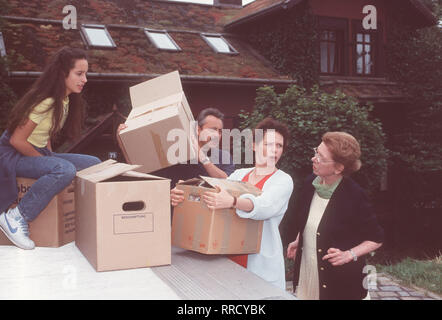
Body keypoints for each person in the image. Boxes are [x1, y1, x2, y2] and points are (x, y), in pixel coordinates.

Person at [171, 117, 294, 290]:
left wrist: (233, 201)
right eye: (268, 144)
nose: (274, 150)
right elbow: (213, 195)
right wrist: (183, 194)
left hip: (259, 263)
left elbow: (264, 206)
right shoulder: (239, 175)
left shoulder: (283, 180)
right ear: (253, 145)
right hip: (229, 258)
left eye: (279, 146)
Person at [0, 47, 101, 250]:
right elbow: (17, 141)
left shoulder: (63, 100)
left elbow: (45, 135)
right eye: (79, 74)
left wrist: (50, 157)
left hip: (33, 152)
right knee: (64, 169)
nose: (85, 79)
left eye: (86, 74)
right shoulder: (45, 101)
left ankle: (84, 219)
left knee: (94, 164)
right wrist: (46, 163)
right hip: (11, 156)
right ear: (63, 73)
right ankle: (16, 216)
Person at [287, 132, 384, 300]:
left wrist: (349, 255)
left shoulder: (354, 195)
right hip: (309, 272)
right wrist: (299, 239)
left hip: (340, 284)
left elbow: (376, 238)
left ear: (339, 168)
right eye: (316, 151)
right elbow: (310, 220)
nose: (313, 158)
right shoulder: (311, 183)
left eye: (321, 157)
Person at [117, 107, 235, 187]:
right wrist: (122, 140)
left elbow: (227, 182)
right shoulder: (177, 151)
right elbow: (139, 168)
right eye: (213, 130)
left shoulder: (223, 156)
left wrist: (202, 158)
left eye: (220, 131)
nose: (217, 135)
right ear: (198, 130)